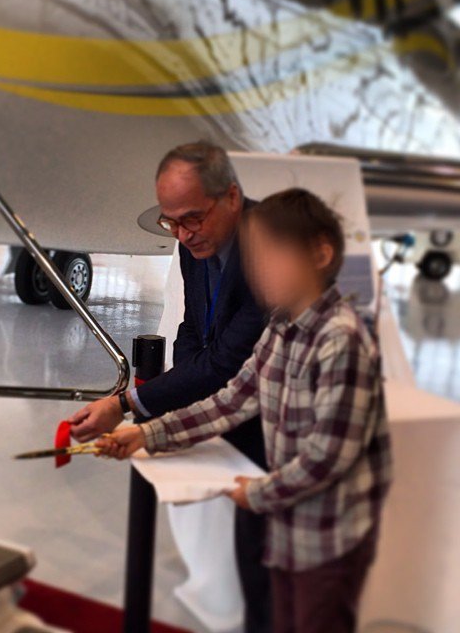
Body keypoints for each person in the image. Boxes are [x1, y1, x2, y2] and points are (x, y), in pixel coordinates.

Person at [97, 188, 393, 633]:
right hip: (285, 520)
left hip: (325, 539)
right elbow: (234, 399)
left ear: (320, 254)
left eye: (272, 255)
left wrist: (255, 495)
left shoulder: (341, 339)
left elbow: (328, 457)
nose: (258, 270)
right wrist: (148, 434)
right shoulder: (281, 325)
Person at [63, 141, 271, 632]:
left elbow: (229, 363)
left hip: (282, 437)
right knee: (253, 566)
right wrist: (162, 415)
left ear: (233, 197)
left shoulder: (274, 247)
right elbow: (193, 332)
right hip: (235, 416)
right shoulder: (192, 239)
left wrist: (128, 405)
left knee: (278, 578)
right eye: (170, 222)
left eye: (192, 219)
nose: (181, 234)